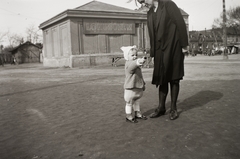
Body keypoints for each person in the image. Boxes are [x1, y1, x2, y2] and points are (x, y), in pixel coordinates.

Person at [142, 0, 189, 120]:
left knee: (174, 78)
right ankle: (161, 108)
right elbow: (152, 34)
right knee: (161, 78)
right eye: (140, 2)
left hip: (173, 46)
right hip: (159, 50)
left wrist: (184, 45)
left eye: (143, 0)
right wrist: (153, 53)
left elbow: (180, 23)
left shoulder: (168, 5)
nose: (143, 3)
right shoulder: (150, 12)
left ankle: (173, 108)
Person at [121, 45, 148, 123]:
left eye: (136, 55)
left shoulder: (136, 66)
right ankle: (128, 115)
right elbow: (131, 67)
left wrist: (143, 84)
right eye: (132, 55)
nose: (135, 56)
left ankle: (137, 113)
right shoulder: (128, 64)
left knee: (137, 101)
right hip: (130, 87)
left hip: (137, 87)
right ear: (127, 56)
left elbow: (140, 76)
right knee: (129, 102)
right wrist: (138, 61)